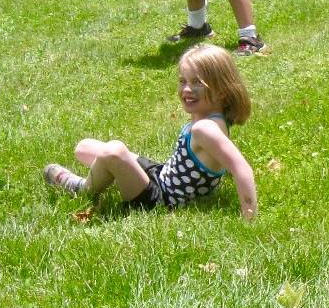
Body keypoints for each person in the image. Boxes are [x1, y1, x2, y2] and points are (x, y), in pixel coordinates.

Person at [43, 44, 258, 220]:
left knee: (113, 151)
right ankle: (111, 174)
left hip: (161, 201)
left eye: (197, 83)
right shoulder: (213, 118)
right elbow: (221, 156)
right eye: (183, 81)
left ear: (222, 91)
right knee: (85, 147)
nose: (186, 89)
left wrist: (250, 219)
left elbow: (242, 169)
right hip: (161, 175)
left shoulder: (205, 128)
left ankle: (81, 187)